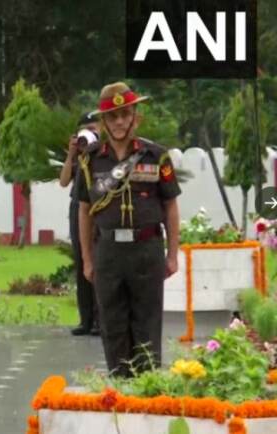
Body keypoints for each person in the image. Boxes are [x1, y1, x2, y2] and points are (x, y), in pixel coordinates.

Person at [76, 82, 180, 377]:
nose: (120, 121)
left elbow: (170, 207)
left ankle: (147, 393)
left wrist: (172, 255)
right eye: (113, 116)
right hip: (108, 252)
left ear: (136, 117)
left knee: (147, 323)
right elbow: (84, 211)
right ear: (104, 122)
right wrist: (86, 258)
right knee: (112, 324)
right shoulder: (90, 160)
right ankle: (120, 391)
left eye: (125, 114)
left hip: (146, 250)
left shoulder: (156, 156)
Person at [60, 113, 101, 337]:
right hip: (77, 209)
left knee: (98, 261)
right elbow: (64, 181)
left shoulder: (104, 155)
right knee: (82, 261)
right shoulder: (80, 156)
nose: (89, 134)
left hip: (98, 209)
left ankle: (99, 319)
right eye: (85, 129)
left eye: (93, 129)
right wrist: (71, 154)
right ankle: (86, 319)